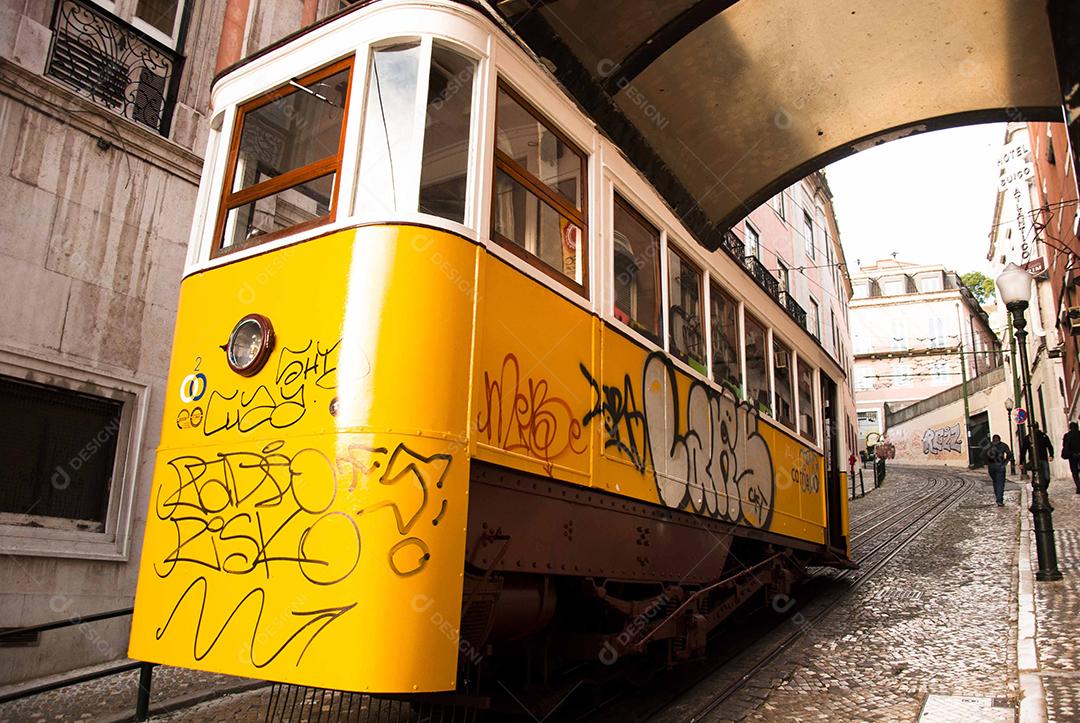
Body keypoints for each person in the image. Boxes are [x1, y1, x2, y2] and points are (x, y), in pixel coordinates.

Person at [983, 434, 1014, 506]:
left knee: (995, 482)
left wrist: (987, 462)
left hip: (991, 466)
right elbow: (1009, 454)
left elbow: (983, 455)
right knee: (1000, 483)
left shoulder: (988, 446)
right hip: (1000, 465)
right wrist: (1005, 462)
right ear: (999, 439)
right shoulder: (1004, 445)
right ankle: (999, 499)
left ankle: (998, 497)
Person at [1062, 421, 1080, 493]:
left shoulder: (1067, 435)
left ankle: (1078, 486)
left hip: (1072, 456)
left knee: (1075, 472)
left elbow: (1065, 445)